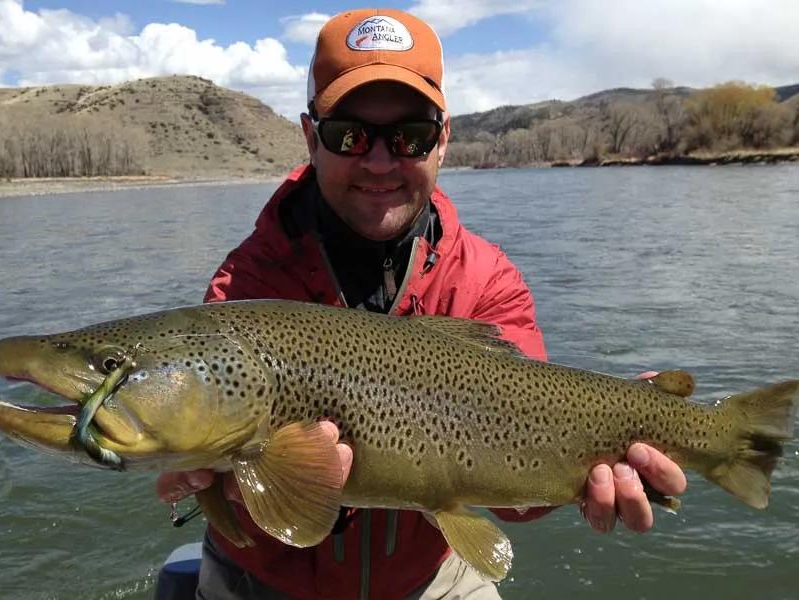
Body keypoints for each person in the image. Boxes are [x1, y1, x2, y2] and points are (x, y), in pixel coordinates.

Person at [156, 8, 687, 599]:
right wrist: (227, 481)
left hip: (428, 578)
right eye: (350, 134)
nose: (380, 162)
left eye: (410, 135)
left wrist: (603, 458)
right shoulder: (248, 285)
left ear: (443, 141)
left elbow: (515, 494)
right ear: (311, 138)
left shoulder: (488, 280)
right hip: (264, 581)